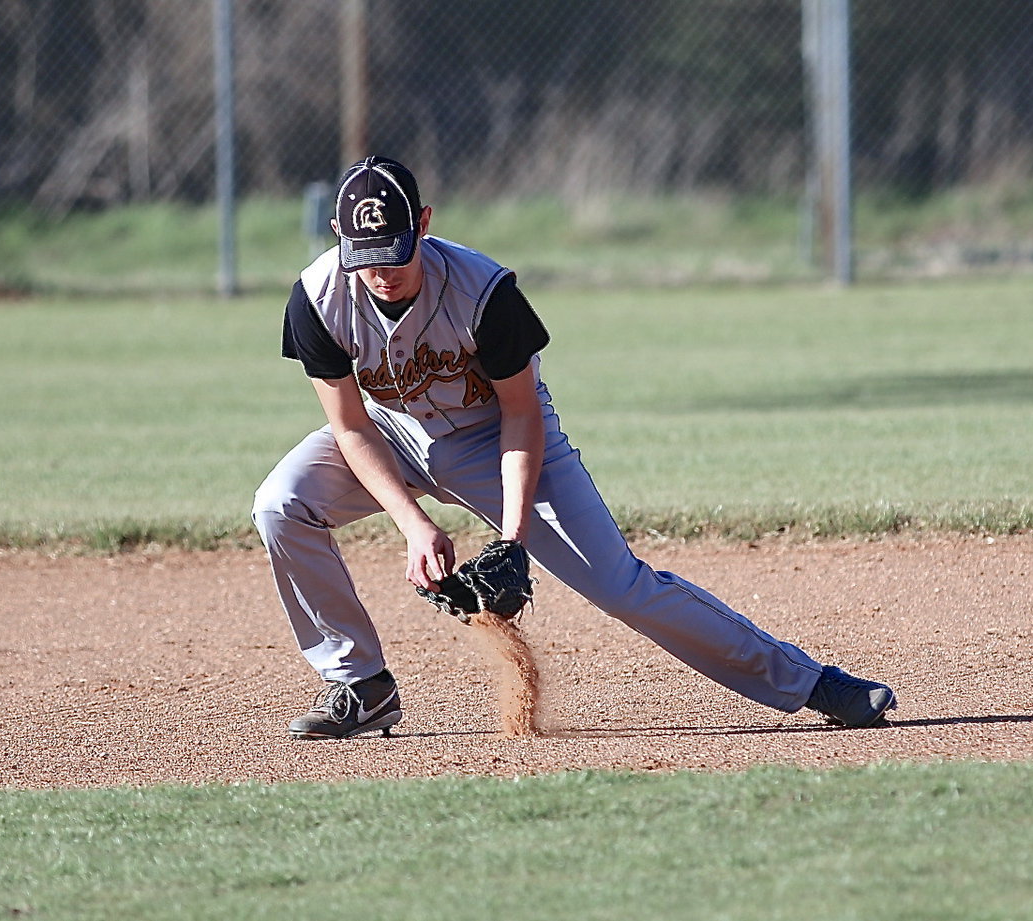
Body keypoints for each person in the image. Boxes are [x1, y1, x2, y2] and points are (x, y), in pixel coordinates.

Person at [253, 155, 897, 739]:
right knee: (281, 503)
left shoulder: (483, 293)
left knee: (623, 587)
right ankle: (361, 683)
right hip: (389, 431)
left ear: (424, 224)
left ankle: (811, 683)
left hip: (492, 436)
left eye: (395, 250)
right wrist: (413, 522)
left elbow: (520, 413)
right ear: (340, 243)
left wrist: (510, 542)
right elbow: (350, 426)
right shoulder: (317, 300)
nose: (382, 272)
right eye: (365, 256)